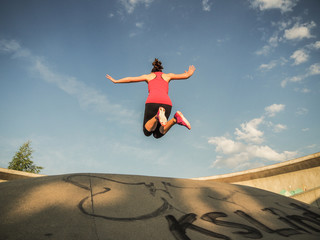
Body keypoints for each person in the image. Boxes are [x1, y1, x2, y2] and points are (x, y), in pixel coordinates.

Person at [106, 58, 196, 139]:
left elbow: (131, 79)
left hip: (152, 102)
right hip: (167, 103)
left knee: (147, 132)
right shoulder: (168, 76)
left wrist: (116, 81)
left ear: (152, 70)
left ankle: (157, 116)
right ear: (161, 69)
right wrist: (189, 73)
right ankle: (175, 119)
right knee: (157, 134)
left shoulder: (148, 76)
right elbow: (186, 76)